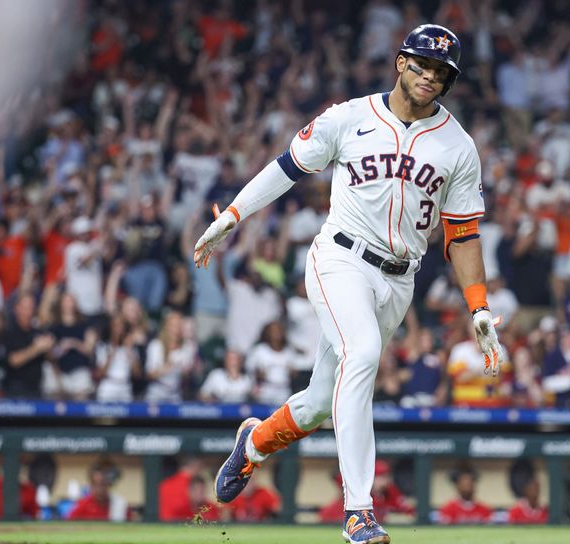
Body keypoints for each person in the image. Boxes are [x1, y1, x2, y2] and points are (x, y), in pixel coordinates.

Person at [195, 24, 503, 544]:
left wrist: (477, 307)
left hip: (400, 281)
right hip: (340, 260)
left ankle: (253, 444)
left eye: (442, 71)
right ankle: (359, 511)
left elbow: (463, 232)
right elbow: (287, 167)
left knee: (320, 401)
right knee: (360, 355)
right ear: (401, 62)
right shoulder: (350, 117)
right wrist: (234, 213)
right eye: (423, 65)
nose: (431, 76)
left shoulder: (458, 146)